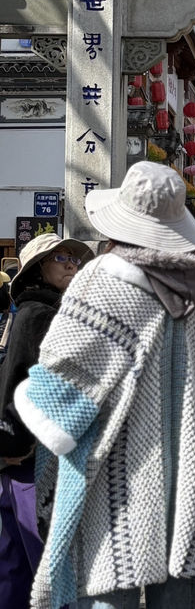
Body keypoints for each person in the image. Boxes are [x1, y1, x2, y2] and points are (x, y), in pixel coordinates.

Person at [14, 161, 195, 609]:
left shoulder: (99, 281)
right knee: (184, 587)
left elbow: (59, 396)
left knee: (108, 580)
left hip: (113, 478)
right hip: (189, 475)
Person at [0, 233, 93, 609]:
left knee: (14, 559)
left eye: (74, 258)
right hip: (30, 455)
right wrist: (14, 445)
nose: (71, 264)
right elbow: (22, 384)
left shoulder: (34, 311)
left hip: (19, 451)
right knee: (45, 557)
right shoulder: (41, 314)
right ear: (40, 267)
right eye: (61, 258)